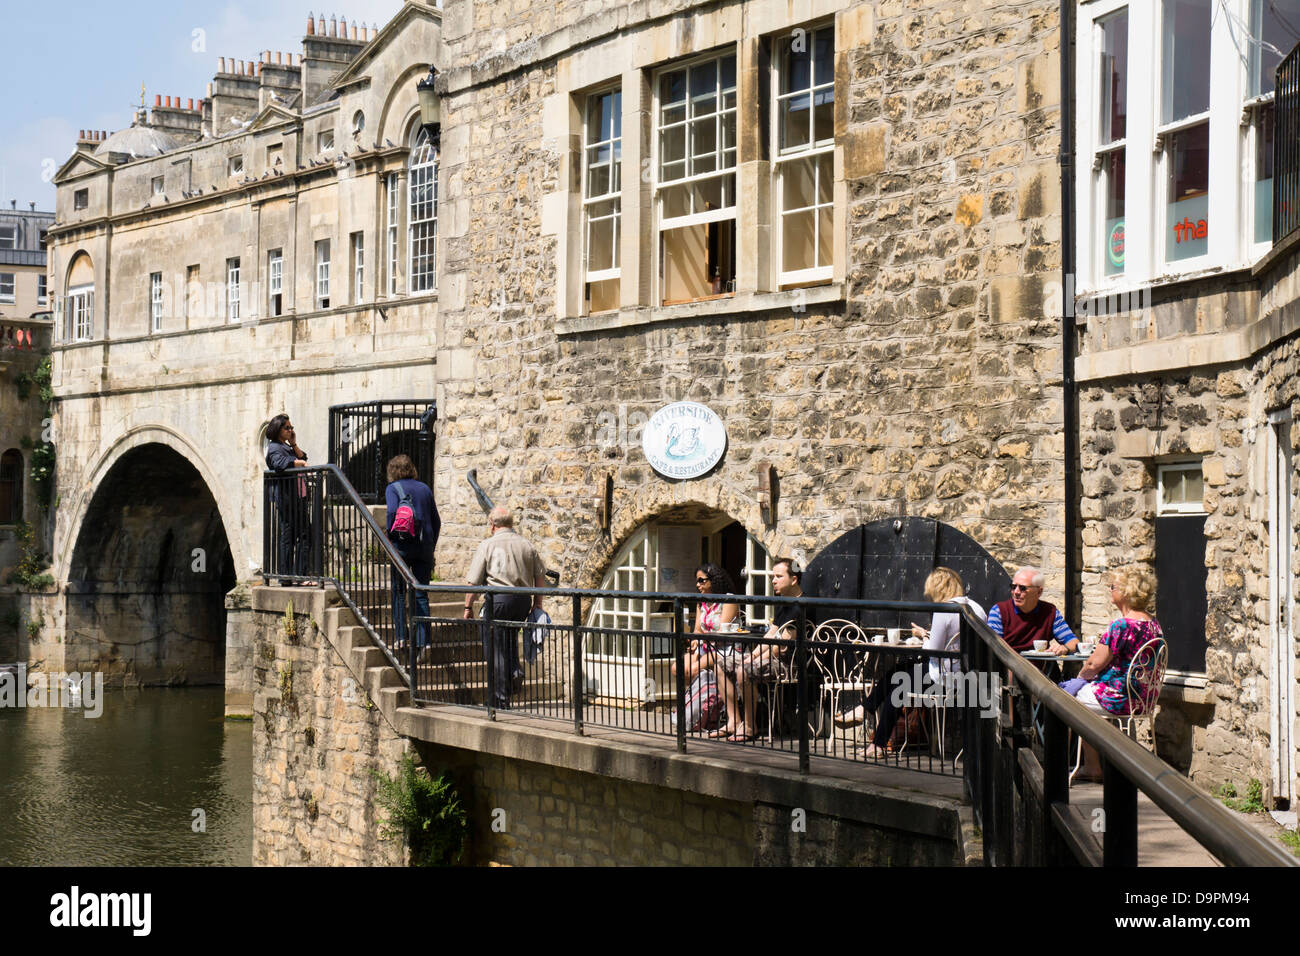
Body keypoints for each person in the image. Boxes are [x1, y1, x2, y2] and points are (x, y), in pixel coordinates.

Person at [835, 567, 985, 758]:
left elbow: (933, 651)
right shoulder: (977, 608)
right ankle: (867, 714)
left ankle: (875, 738)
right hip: (969, 676)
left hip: (944, 679)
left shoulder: (944, 610)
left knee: (896, 688)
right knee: (897, 674)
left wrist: (923, 636)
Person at [1073, 566, 1165, 779]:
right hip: (1144, 698)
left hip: (1119, 698)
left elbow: (1093, 665)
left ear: (1125, 592)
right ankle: (1115, 763)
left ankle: (1091, 766)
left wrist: (1079, 679)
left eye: (1113, 587)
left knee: (1072, 700)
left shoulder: (1121, 626)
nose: (1109, 590)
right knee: (1088, 698)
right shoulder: (1154, 624)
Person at [464, 506, 548, 710]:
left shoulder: (488, 545)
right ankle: (514, 671)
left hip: (498, 599)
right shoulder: (527, 545)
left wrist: (468, 606)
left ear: (492, 525)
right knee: (509, 640)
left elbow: (473, 582)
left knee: (495, 648)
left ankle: (500, 699)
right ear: (511, 524)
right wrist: (537, 604)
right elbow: (540, 576)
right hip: (522, 600)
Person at [716, 557, 804, 742]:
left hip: (789, 663)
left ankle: (749, 726)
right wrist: (753, 655)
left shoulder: (801, 606)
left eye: (778, 576)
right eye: (773, 576)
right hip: (771, 657)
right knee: (721, 663)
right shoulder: (784, 603)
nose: (773, 580)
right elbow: (770, 636)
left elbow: (781, 646)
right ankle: (734, 721)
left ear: (793, 579)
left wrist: (752, 660)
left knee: (743, 670)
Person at [385, 454, 440, 662]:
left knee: (399, 592)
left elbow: (391, 513)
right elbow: (437, 521)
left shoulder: (393, 488)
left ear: (392, 470)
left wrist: (390, 539)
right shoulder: (424, 488)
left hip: (402, 547)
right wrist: (430, 546)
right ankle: (424, 641)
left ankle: (402, 637)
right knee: (421, 593)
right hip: (424, 547)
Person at [264, 413, 316, 583]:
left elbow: (303, 457)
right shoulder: (274, 447)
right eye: (287, 428)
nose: (290, 430)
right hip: (287, 499)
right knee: (293, 537)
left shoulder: (286, 446)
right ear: (278, 429)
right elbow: (279, 464)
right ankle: (293, 576)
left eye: (291, 427)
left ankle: (291, 577)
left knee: (299, 536)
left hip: (297, 498)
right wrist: (297, 463)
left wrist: (294, 444)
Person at [672, 563, 740, 686]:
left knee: (693, 669)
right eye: (697, 581)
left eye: (701, 580)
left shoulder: (729, 600)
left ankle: (704, 701)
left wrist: (701, 641)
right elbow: (698, 630)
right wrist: (694, 641)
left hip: (725, 649)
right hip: (706, 647)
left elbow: (721, 632)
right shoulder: (701, 602)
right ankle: (695, 701)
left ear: (713, 580)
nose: (698, 585)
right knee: (677, 668)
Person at [988, 566, 1078, 654]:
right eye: (1013, 586)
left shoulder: (1050, 612)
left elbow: (1073, 642)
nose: (1016, 592)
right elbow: (993, 647)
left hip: (1040, 668)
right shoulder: (999, 611)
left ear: (1039, 592)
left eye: (1022, 588)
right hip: (1009, 666)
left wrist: (1064, 648)